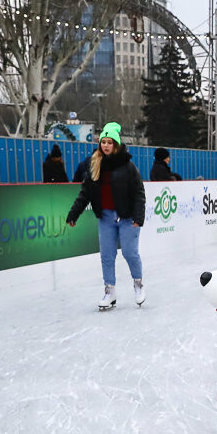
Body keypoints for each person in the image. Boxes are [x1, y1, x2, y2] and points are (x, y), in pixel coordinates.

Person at [66, 122, 147, 309]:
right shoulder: (95, 164)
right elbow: (85, 193)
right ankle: (109, 291)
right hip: (105, 217)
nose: (106, 145)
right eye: (103, 142)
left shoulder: (128, 166)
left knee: (129, 252)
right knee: (107, 256)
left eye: (110, 142)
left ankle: (138, 283)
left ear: (116, 144)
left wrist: (138, 218)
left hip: (126, 217)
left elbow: (139, 193)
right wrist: (74, 214)